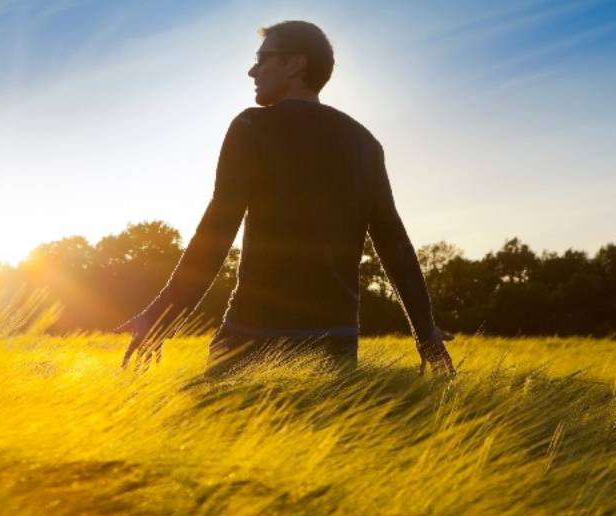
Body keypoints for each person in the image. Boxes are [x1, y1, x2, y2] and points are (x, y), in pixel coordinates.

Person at [115, 20, 456, 379]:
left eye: (262, 59)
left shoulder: (252, 127)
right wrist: (425, 333)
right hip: (335, 344)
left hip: (252, 336)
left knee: (221, 416)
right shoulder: (365, 143)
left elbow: (219, 225)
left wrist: (162, 316)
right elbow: (394, 243)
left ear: (295, 63)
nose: (252, 71)